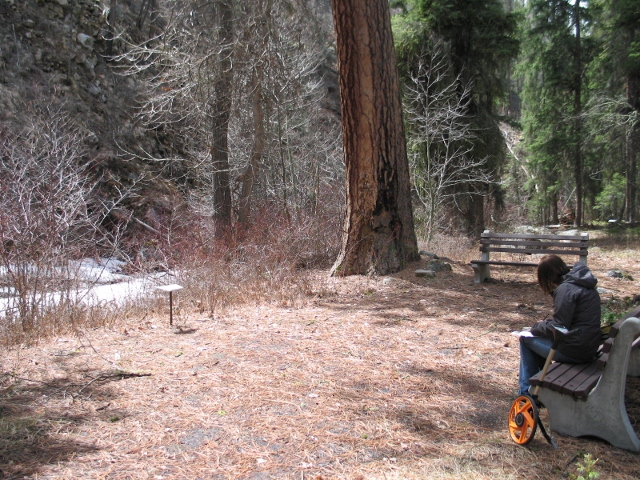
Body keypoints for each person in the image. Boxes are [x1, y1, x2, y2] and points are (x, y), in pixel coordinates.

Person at [518, 254, 602, 395]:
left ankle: (527, 392)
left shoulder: (566, 290)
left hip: (575, 351)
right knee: (537, 340)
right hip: (588, 346)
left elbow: (559, 327)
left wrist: (537, 327)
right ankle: (538, 386)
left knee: (525, 340)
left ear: (546, 277)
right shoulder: (583, 284)